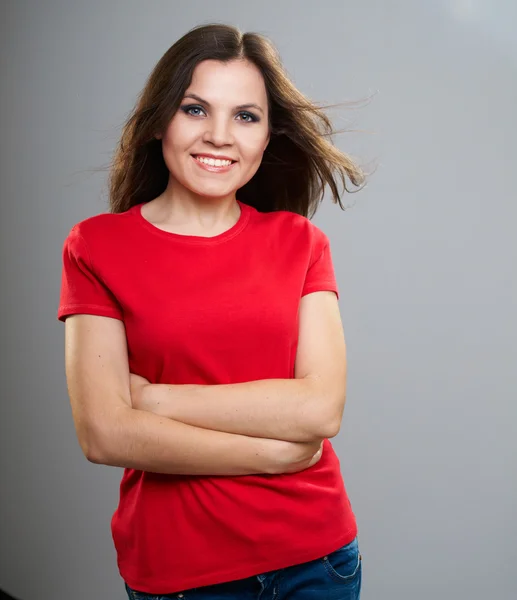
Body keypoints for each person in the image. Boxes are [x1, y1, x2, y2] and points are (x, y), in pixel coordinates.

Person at [57, 23, 366, 600]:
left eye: (245, 116)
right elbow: (104, 433)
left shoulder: (301, 242)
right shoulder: (96, 247)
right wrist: (271, 455)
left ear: (268, 136)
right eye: (195, 109)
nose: (219, 136)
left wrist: (152, 399)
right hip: (181, 570)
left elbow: (321, 408)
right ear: (159, 121)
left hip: (317, 558)